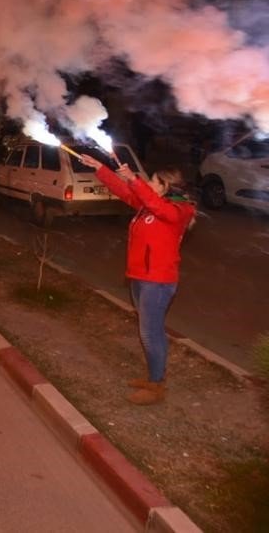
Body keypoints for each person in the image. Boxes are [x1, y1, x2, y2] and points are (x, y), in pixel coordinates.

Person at [79, 154, 196, 406]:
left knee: (150, 333)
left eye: (153, 181)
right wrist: (102, 169)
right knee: (151, 331)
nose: (149, 183)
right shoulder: (149, 203)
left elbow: (159, 208)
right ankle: (155, 377)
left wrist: (135, 179)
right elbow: (125, 192)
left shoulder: (179, 210)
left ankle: (156, 386)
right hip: (140, 277)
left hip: (158, 280)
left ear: (166, 186)